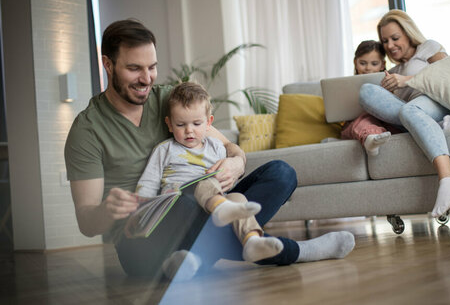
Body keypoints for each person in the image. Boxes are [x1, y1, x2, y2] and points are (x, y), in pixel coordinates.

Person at [64, 19, 355, 279]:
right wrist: (107, 209)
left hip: (206, 206)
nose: (147, 78)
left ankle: (190, 263)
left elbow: (227, 146)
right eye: (134, 68)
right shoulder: (87, 130)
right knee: (188, 201)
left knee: (281, 172)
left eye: (152, 67)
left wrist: (236, 163)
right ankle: (294, 250)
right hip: (142, 241)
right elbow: (87, 222)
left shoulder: (167, 98)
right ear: (108, 64)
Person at [134, 81, 285, 275]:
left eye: (197, 124)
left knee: (238, 199)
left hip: (214, 204)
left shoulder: (217, 147)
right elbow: (148, 182)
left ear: (209, 122)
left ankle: (252, 241)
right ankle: (220, 213)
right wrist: (141, 209)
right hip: (182, 202)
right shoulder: (165, 149)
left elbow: (226, 177)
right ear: (169, 124)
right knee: (203, 184)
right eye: (181, 124)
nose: (189, 130)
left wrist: (231, 171)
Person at [358, 10, 450, 218]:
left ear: (408, 33)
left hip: (437, 101)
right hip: (413, 110)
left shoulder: (427, 48)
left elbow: (449, 72)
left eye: (395, 38)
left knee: (409, 109)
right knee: (366, 91)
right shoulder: (394, 69)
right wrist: (391, 91)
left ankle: (448, 179)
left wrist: (406, 81)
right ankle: (435, 125)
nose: (389, 45)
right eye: (385, 41)